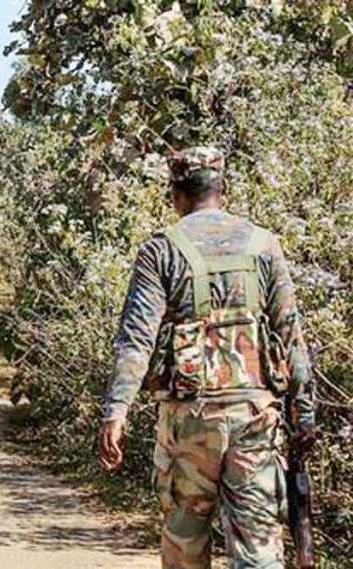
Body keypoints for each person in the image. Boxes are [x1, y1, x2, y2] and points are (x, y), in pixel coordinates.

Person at [98, 147, 316, 569]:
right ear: (224, 190)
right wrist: (303, 415)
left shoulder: (161, 249)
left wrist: (117, 411)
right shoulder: (264, 245)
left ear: (176, 195)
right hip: (255, 417)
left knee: (185, 541)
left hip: (188, 422)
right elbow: (293, 339)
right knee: (258, 550)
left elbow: (136, 339)